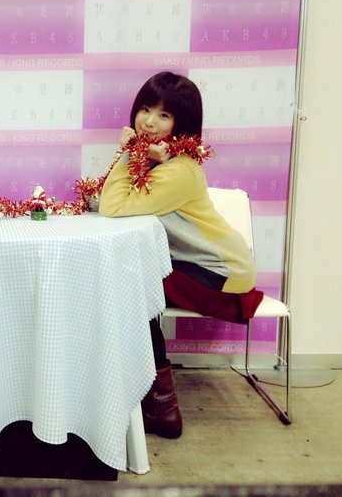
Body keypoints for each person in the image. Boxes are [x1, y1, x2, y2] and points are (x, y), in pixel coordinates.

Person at [98, 71, 264, 439]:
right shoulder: (160, 161)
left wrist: (128, 154)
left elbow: (113, 207)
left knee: (132, 286)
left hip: (221, 275)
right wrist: (136, 159)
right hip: (201, 268)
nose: (149, 122)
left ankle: (162, 406)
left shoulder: (179, 170)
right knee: (132, 279)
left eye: (164, 115)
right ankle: (142, 392)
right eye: (145, 109)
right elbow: (111, 201)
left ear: (182, 124)